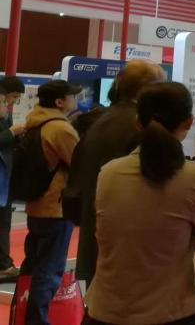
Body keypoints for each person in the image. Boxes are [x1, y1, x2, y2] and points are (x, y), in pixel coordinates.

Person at [84, 83, 195, 325]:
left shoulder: (108, 172)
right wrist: (189, 236)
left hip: (106, 310)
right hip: (168, 311)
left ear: (138, 123)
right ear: (189, 122)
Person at [66, 60, 165, 285]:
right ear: (149, 89)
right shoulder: (141, 126)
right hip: (128, 238)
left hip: (97, 226)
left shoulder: (99, 120)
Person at [21, 80, 81, 325]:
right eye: (72, 96)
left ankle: (23, 314)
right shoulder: (60, 129)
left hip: (35, 205)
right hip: (55, 207)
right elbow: (78, 163)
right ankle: (37, 321)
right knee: (49, 270)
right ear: (59, 102)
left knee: (33, 265)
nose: (76, 99)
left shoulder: (34, 123)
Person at [0, 76, 25, 279]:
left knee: (3, 223)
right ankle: (3, 264)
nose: (10, 103)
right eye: (11, 98)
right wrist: (11, 133)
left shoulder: (5, 116)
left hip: (4, 177)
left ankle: (4, 263)